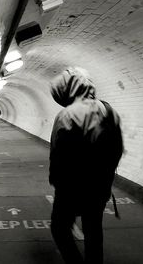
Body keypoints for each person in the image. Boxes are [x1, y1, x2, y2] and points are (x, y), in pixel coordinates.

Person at [49, 68, 123, 264]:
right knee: (93, 230)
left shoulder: (66, 115)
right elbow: (117, 149)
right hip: (100, 185)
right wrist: (106, 178)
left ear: (67, 89)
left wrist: (56, 182)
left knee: (59, 228)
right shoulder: (109, 110)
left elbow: (58, 154)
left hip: (71, 187)